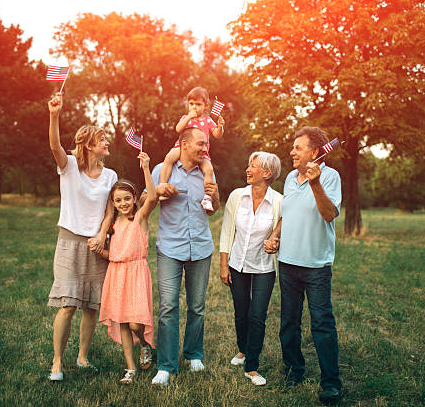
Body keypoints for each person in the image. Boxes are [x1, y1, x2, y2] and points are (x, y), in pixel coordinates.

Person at [265, 126, 342, 404]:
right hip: (287, 263)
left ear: (315, 152)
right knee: (289, 322)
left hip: (316, 265)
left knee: (322, 323)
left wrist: (316, 184)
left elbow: (329, 214)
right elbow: (288, 214)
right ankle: (294, 370)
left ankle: (331, 383)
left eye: (298, 147)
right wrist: (275, 236)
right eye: (293, 147)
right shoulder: (288, 179)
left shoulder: (330, 177)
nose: (292, 152)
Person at [46, 92, 118, 381]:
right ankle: (57, 362)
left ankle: (83, 357)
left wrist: (102, 236)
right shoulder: (69, 167)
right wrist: (54, 114)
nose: (106, 142)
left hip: (97, 246)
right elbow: (54, 145)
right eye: (102, 139)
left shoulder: (110, 176)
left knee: (90, 306)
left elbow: (110, 211)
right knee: (68, 305)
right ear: (89, 145)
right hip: (69, 242)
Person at [146, 127, 220, 386]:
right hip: (170, 248)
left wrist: (216, 195)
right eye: (200, 144)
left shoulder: (207, 171)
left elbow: (213, 209)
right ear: (184, 144)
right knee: (168, 307)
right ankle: (166, 366)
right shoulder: (162, 169)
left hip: (200, 247)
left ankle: (193, 354)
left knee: (197, 306)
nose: (203, 149)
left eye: (205, 145)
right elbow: (146, 199)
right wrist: (159, 192)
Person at [92, 152, 157, 385]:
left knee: (135, 323)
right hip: (117, 274)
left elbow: (153, 198)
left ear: (134, 198)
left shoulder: (139, 218)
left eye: (127, 199)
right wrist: (100, 251)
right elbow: (116, 254)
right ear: (114, 203)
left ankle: (146, 343)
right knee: (122, 323)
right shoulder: (114, 225)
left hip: (137, 273)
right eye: (118, 201)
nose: (123, 204)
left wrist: (147, 168)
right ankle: (130, 368)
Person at [219, 152, 282, 386]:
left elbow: (283, 228)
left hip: (264, 267)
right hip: (237, 264)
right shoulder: (237, 196)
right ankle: (243, 350)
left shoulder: (278, 201)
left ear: (266, 173)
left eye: (253, 166)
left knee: (257, 315)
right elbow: (227, 231)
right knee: (241, 312)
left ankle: (252, 367)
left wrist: (275, 241)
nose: (248, 169)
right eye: (248, 165)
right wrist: (224, 264)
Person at [158, 87, 225, 213]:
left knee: (209, 170)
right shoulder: (185, 117)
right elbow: (178, 129)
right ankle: (163, 186)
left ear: (205, 106)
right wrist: (189, 117)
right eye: (191, 104)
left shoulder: (207, 120)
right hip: (181, 147)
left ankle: (207, 198)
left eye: (198, 104)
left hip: (202, 153)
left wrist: (220, 127)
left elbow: (217, 134)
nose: (194, 107)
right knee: (168, 159)